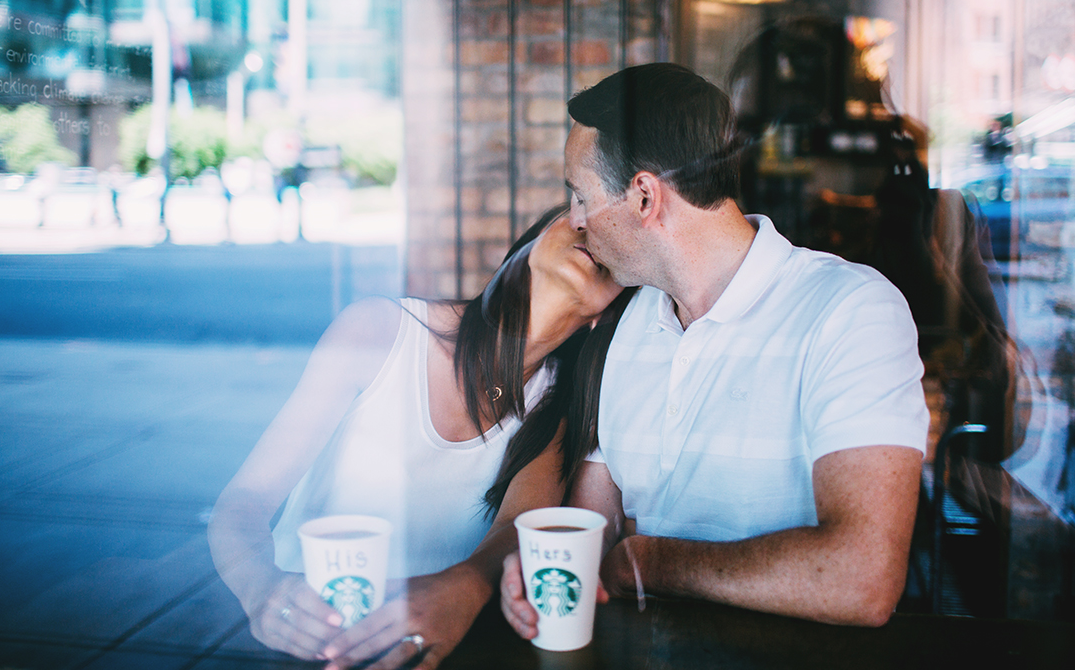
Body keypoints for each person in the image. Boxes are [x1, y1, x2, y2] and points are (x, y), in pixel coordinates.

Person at [500, 63, 929, 632]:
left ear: (644, 196)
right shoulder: (628, 323)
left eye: (580, 196)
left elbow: (862, 579)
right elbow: (592, 533)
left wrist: (651, 562)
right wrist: (540, 570)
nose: (576, 222)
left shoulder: (850, 312)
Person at [209, 203, 625, 670]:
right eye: (579, 210)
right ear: (530, 243)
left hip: (433, 649)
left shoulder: (556, 409)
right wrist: (261, 589)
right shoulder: (379, 331)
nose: (592, 230)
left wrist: (466, 585)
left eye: (614, 245)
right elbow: (243, 500)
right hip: (309, 639)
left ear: (604, 315)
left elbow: (515, 531)